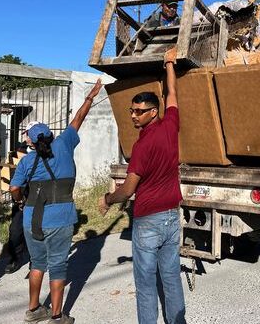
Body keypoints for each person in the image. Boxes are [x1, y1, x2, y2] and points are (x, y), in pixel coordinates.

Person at [98, 47, 185, 324]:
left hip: (148, 221)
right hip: (172, 217)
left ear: (152, 112)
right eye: (131, 110)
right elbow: (172, 94)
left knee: (146, 284)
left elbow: (128, 190)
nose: (134, 115)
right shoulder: (170, 126)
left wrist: (108, 199)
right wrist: (169, 64)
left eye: (139, 111)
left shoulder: (142, 145)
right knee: (171, 277)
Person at [10, 80, 102, 324]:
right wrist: (90, 97)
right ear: (50, 135)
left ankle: (33, 310)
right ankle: (57, 316)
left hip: (32, 219)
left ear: (29, 141)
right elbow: (78, 119)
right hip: (59, 218)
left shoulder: (27, 162)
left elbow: (14, 188)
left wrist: (20, 202)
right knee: (58, 266)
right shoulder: (64, 144)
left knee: (37, 264)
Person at [5, 141, 31, 274]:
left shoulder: (37, 157)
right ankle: (15, 258)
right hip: (19, 203)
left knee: (36, 231)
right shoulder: (16, 160)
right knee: (15, 232)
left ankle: (35, 260)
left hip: (35, 201)